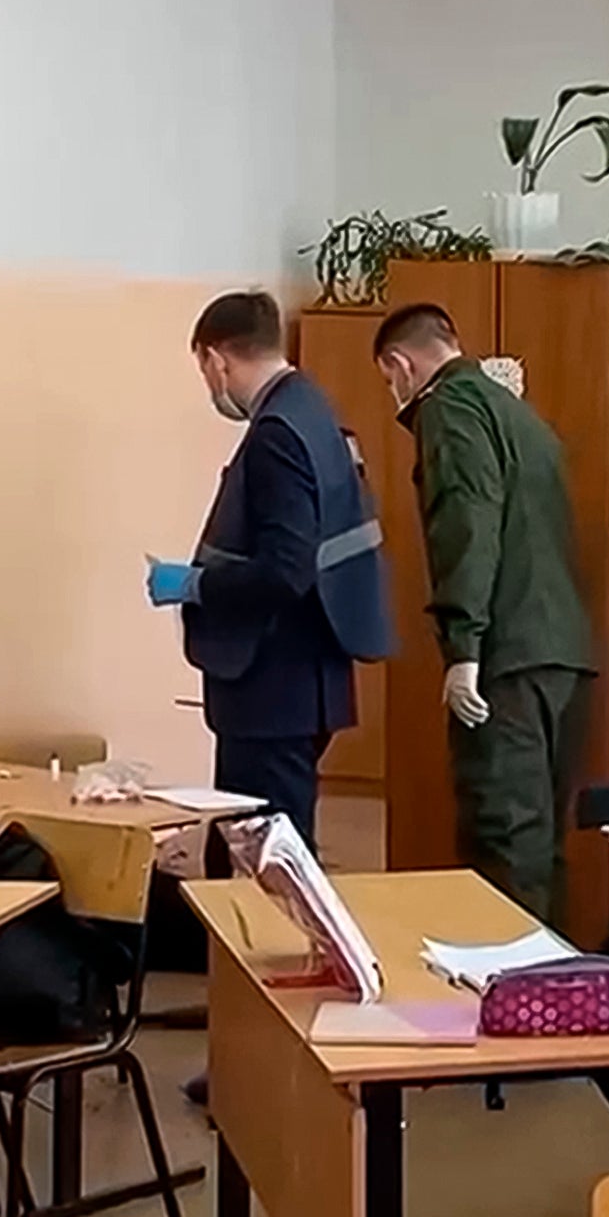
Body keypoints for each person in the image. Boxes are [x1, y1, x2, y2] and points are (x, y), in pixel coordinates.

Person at [148, 290, 395, 855]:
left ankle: (280, 948)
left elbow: (287, 570)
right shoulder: (312, 408)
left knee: (266, 858)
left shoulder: (275, 435)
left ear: (216, 359)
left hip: (272, 687)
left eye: (205, 371)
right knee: (265, 848)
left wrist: (194, 584)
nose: (212, 385)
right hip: (309, 680)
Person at [373, 303, 595, 920]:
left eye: (389, 379)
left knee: (504, 845)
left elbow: (466, 524)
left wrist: (462, 648)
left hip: (507, 657)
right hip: (564, 654)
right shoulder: (518, 414)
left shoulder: (449, 408)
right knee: (542, 846)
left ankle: (506, 999)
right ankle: (552, 997)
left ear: (400, 364)